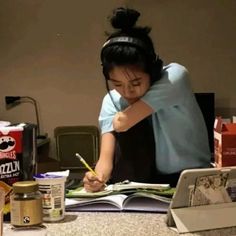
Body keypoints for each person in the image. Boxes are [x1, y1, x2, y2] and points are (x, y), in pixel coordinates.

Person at [83, 7, 211, 192]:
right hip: (144, 184)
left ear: (153, 70)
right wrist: (97, 178)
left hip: (193, 180)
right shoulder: (111, 100)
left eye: (136, 82)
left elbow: (122, 123)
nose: (127, 91)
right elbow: (105, 159)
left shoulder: (174, 77)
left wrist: (121, 117)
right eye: (117, 84)